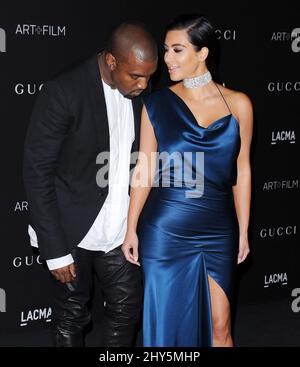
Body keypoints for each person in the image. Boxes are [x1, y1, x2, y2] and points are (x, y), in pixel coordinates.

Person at [23, 22, 157, 347]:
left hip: (120, 230)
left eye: (149, 77)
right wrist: (54, 250)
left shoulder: (140, 95)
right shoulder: (64, 91)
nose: (144, 85)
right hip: (73, 231)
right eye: (136, 76)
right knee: (71, 315)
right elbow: (37, 172)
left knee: (127, 310)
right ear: (111, 61)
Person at [122, 14, 253, 347]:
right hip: (166, 230)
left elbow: (242, 170)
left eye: (177, 50)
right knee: (167, 328)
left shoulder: (239, 104)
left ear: (203, 53)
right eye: (166, 50)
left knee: (221, 326)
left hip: (218, 228)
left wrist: (244, 230)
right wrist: (130, 227)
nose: (166, 59)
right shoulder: (156, 104)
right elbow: (145, 169)